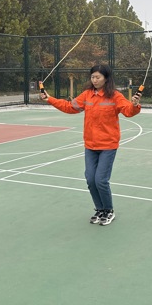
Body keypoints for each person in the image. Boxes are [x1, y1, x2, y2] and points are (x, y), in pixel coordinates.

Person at [40, 64, 142, 226]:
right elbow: (70, 107)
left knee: (100, 180)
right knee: (90, 179)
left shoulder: (115, 96)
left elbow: (128, 111)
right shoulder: (87, 95)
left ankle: (108, 210)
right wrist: (50, 99)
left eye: (98, 77)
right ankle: (100, 209)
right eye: (92, 77)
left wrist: (135, 104)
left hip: (108, 145)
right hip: (90, 145)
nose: (94, 80)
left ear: (106, 79)